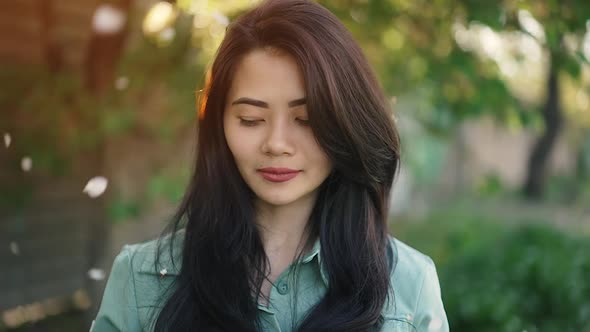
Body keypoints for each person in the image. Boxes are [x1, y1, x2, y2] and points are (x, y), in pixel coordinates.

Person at [92, 0, 449, 331]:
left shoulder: (409, 286)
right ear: (219, 125)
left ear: (346, 124)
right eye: (250, 119)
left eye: (306, 119)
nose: (276, 144)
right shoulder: (141, 278)